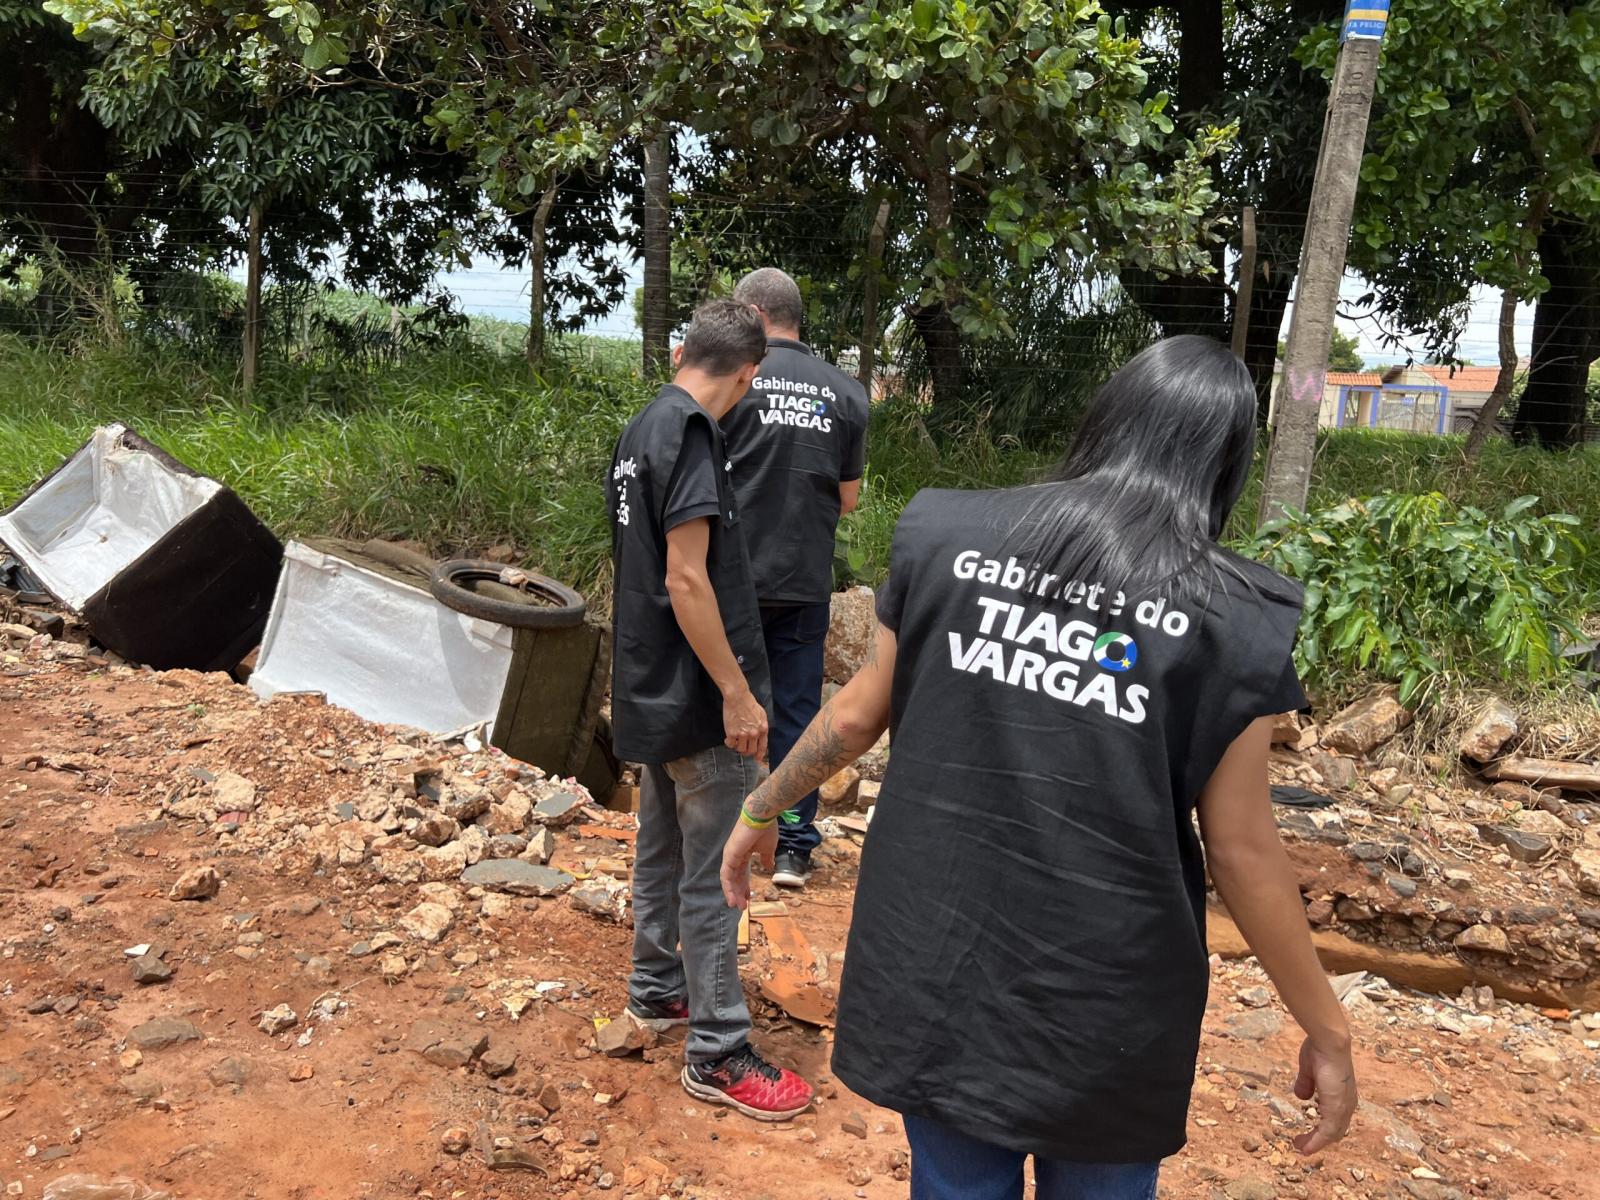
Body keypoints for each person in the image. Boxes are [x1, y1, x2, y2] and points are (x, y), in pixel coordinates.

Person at [720, 337, 1358, 1196]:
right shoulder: (1232, 619)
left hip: (943, 963)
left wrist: (762, 808)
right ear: (1227, 460)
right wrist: (1328, 1028)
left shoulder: (946, 533)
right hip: (1108, 1004)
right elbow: (1242, 849)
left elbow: (858, 711)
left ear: (1109, 419)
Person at [607, 298, 813, 1121]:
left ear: (684, 349)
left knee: (660, 846)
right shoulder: (693, 431)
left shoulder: (641, 428)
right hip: (697, 691)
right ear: (750, 374)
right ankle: (720, 1052)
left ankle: (657, 990)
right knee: (715, 869)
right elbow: (686, 578)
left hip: (650, 682)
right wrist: (736, 691)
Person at [721, 267, 870, 889]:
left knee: (724, 702)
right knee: (797, 713)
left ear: (753, 316)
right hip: (804, 580)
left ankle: (717, 831)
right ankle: (792, 849)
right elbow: (850, 499)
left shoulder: (733, 379)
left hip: (728, 581)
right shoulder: (845, 391)